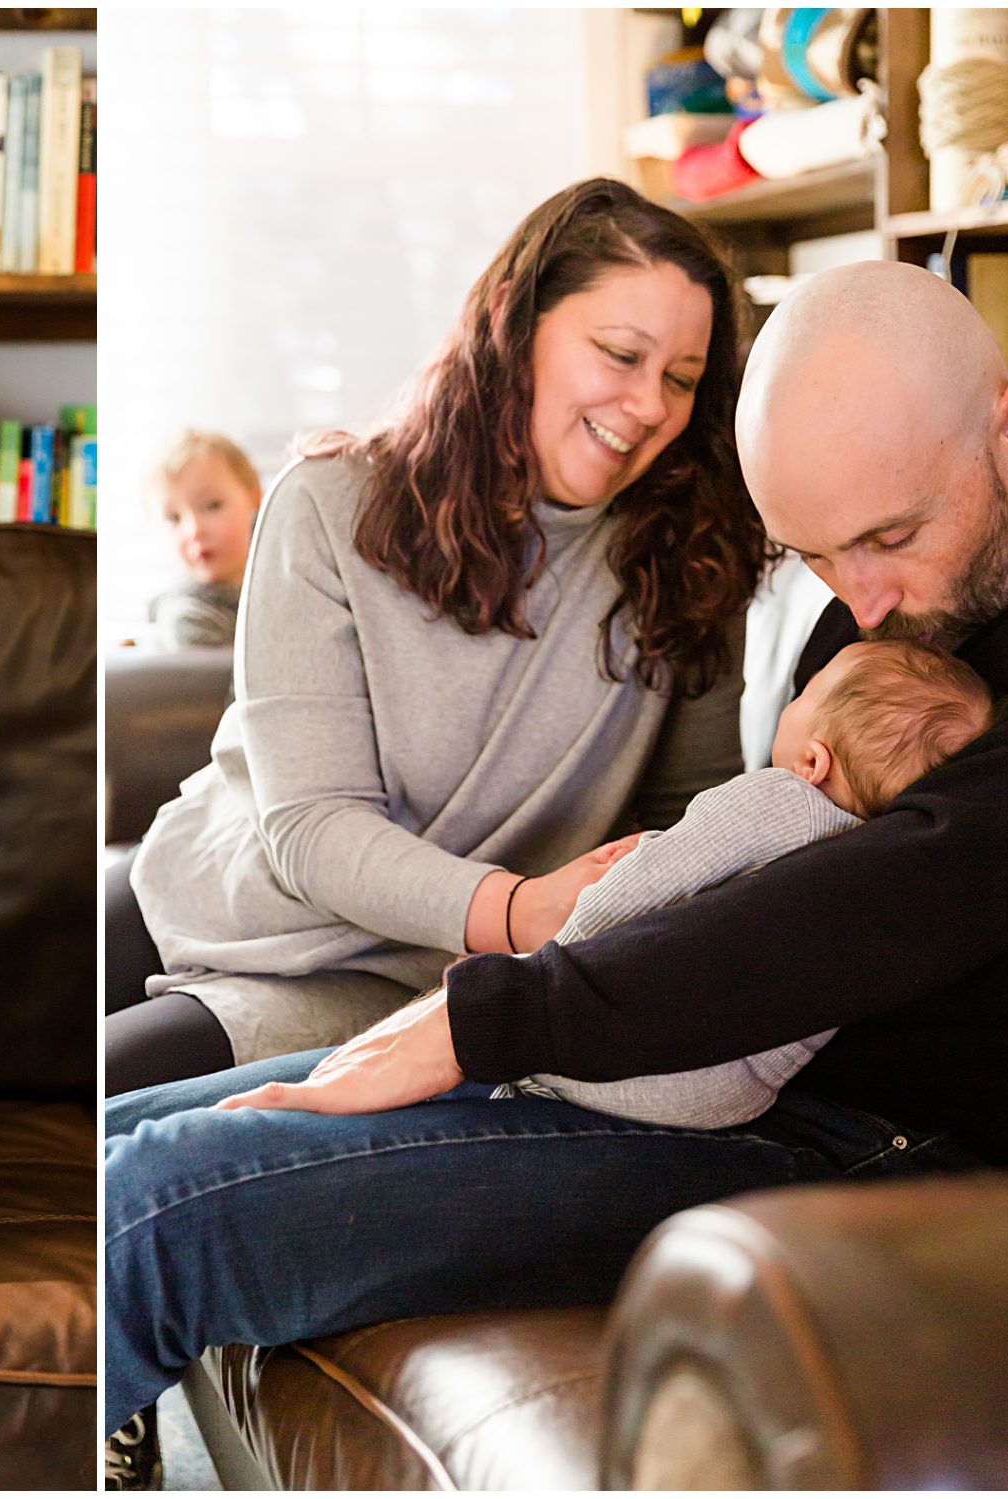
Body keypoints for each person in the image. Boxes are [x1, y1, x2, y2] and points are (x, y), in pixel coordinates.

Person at [103, 258, 1008, 1444]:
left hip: (889, 1157)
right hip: (716, 1067)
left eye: (886, 538)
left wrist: (484, 1019)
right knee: (120, 1138)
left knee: (163, 1205)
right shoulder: (894, 595)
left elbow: (876, 899)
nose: (862, 604)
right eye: (821, 560)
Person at [106, 177, 772, 1094]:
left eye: (682, 379)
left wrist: (554, 928)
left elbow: (681, 826)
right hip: (232, 894)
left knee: (118, 1110)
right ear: (514, 326)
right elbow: (309, 824)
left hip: (401, 972)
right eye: (620, 354)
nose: (651, 404)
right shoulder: (331, 500)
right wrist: (520, 908)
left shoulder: (692, 551)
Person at [500, 636, 992, 1126]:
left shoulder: (781, 797)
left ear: (814, 762)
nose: (792, 702)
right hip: (734, 1099)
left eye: (804, 696)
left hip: (644, 1056)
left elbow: (654, 878)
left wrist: (545, 959)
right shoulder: (877, 866)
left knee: (515, 1071)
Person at [145, 428, 264, 649]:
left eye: (212, 506)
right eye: (174, 518)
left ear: (257, 499)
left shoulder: (282, 589)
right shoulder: (187, 619)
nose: (194, 530)